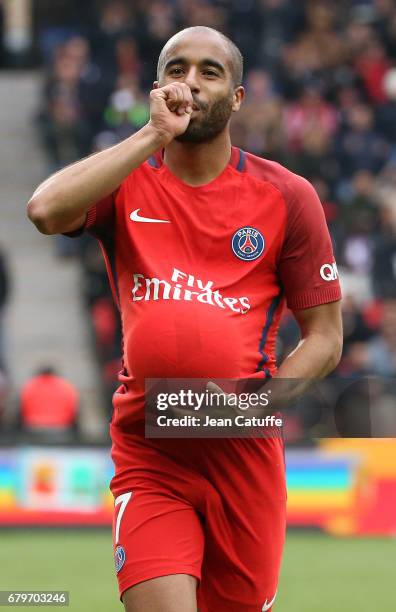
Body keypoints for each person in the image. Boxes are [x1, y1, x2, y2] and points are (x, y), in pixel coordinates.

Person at [27, 26, 342, 612]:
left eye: (208, 71)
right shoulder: (124, 179)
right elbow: (45, 211)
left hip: (241, 448)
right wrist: (151, 136)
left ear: (238, 97)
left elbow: (325, 338)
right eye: (176, 69)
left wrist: (253, 406)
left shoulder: (287, 196)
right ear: (157, 86)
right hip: (152, 446)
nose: (189, 82)